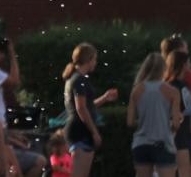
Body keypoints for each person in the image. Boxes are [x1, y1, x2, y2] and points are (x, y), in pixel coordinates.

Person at [0, 35, 45, 177]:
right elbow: (14, 81)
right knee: (28, 165)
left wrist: (11, 135)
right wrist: (12, 55)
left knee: (12, 168)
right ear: (0, 53)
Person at [62, 42, 118, 177]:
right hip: (81, 132)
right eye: (94, 59)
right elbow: (81, 108)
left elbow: (86, 106)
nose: (95, 63)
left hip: (78, 130)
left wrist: (104, 98)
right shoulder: (79, 80)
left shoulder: (76, 79)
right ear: (88, 59)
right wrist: (94, 132)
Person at [128, 52, 181, 177]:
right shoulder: (172, 92)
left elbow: (130, 122)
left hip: (141, 143)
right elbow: (176, 124)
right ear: (164, 69)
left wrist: (146, 122)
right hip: (163, 143)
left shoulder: (136, 90)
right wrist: (166, 123)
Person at [164, 50, 191, 176]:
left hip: (170, 135)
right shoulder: (181, 87)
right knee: (184, 171)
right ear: (184, 65)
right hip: (180, 135)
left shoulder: (167, 85)